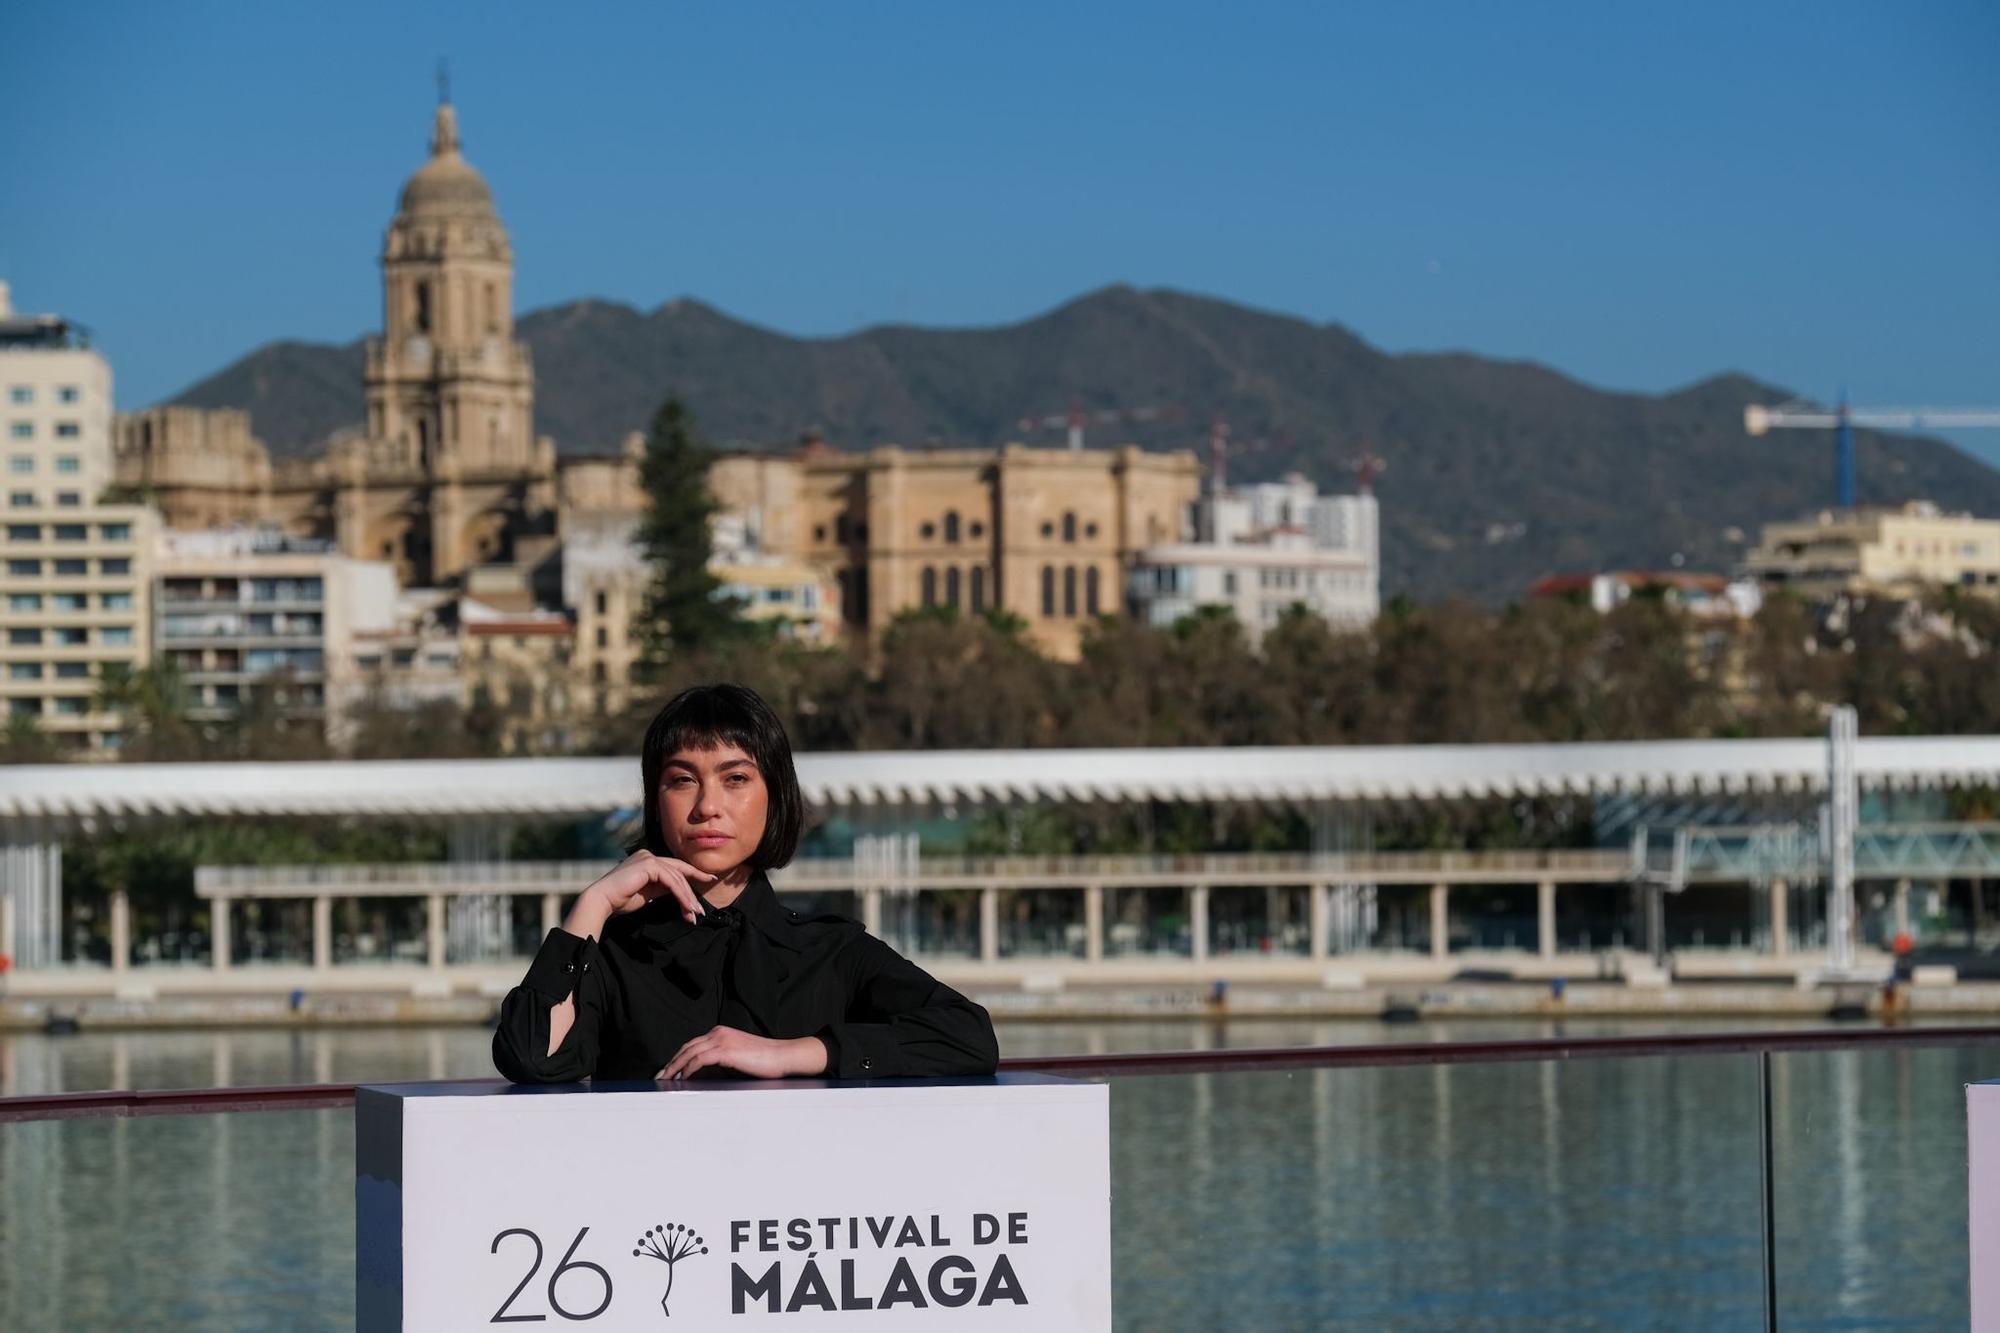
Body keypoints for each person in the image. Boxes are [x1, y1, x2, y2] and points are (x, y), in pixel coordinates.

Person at [492, 683, 999, 1084]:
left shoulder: (830, 951)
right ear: (656, 799)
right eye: (682, 780)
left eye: (735, 779)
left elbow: (969, 1037)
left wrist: (793, 1054)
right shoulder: (614, 954)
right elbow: (531, 1056)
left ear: (774, 797)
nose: (707, 806)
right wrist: (594, 903)